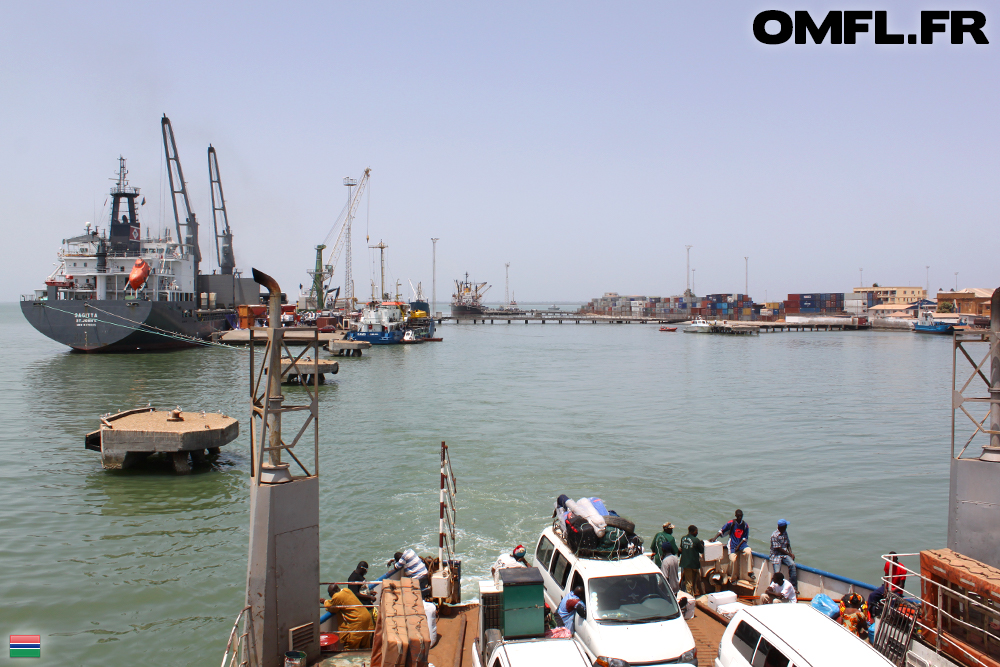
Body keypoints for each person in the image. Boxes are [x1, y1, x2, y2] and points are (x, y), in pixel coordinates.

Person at [323, 584, 374, 649]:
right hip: (367, 619)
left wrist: (325, 602)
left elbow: (332, 608)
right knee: (364, 647)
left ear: (335, 591)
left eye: (330, 593)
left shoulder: (337, 596)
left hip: (357, 623)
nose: (330, 595)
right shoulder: (347, 590)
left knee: (350, 647)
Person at [716, 509, 753, 584]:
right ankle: (733, 578)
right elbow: (721, 530)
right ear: (736, 516)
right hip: (732, 545)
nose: (740, 518)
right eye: (738, 516)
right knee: (733, 560)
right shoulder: (731, 523)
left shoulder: (745, 525)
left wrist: (739, 546)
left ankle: (750, 571)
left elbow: (745, 538)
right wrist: (714, 538)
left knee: (749, 551)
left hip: (742, 544)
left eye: (741, 516)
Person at [769, 519, 797, 591]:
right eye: (786, 526)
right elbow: (778, 549)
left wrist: (791, 553)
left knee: (792, 565)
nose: (786, 527)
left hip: (784, 554)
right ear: (782, 527)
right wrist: (789, 554)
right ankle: (772, 588)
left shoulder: (784, 532)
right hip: (776, 555)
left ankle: (793, 586)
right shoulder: (774, 535)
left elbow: (788, 544)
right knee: (777, 573)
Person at [653, 522, 680, 594]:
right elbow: (675, 551)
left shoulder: (657, 535)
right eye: (671, 529)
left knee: (659, 578)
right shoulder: (670, 538)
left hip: (658, 561)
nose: (672, 531)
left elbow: (653, 547)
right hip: (667, 561)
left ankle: (658, 591)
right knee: (667, 578)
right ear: (667, 529)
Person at [679, 525, 705, 596]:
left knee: (688, 581)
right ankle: (690, 597)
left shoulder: (683, 538)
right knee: (692, 582)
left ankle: (691, 595)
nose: (697, 533)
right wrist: (702, 544)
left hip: (686, 564)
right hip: (694, 564)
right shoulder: (696, 540)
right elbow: (701, 550)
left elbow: (682, 548)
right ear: (692, 531)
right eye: (696, 531)